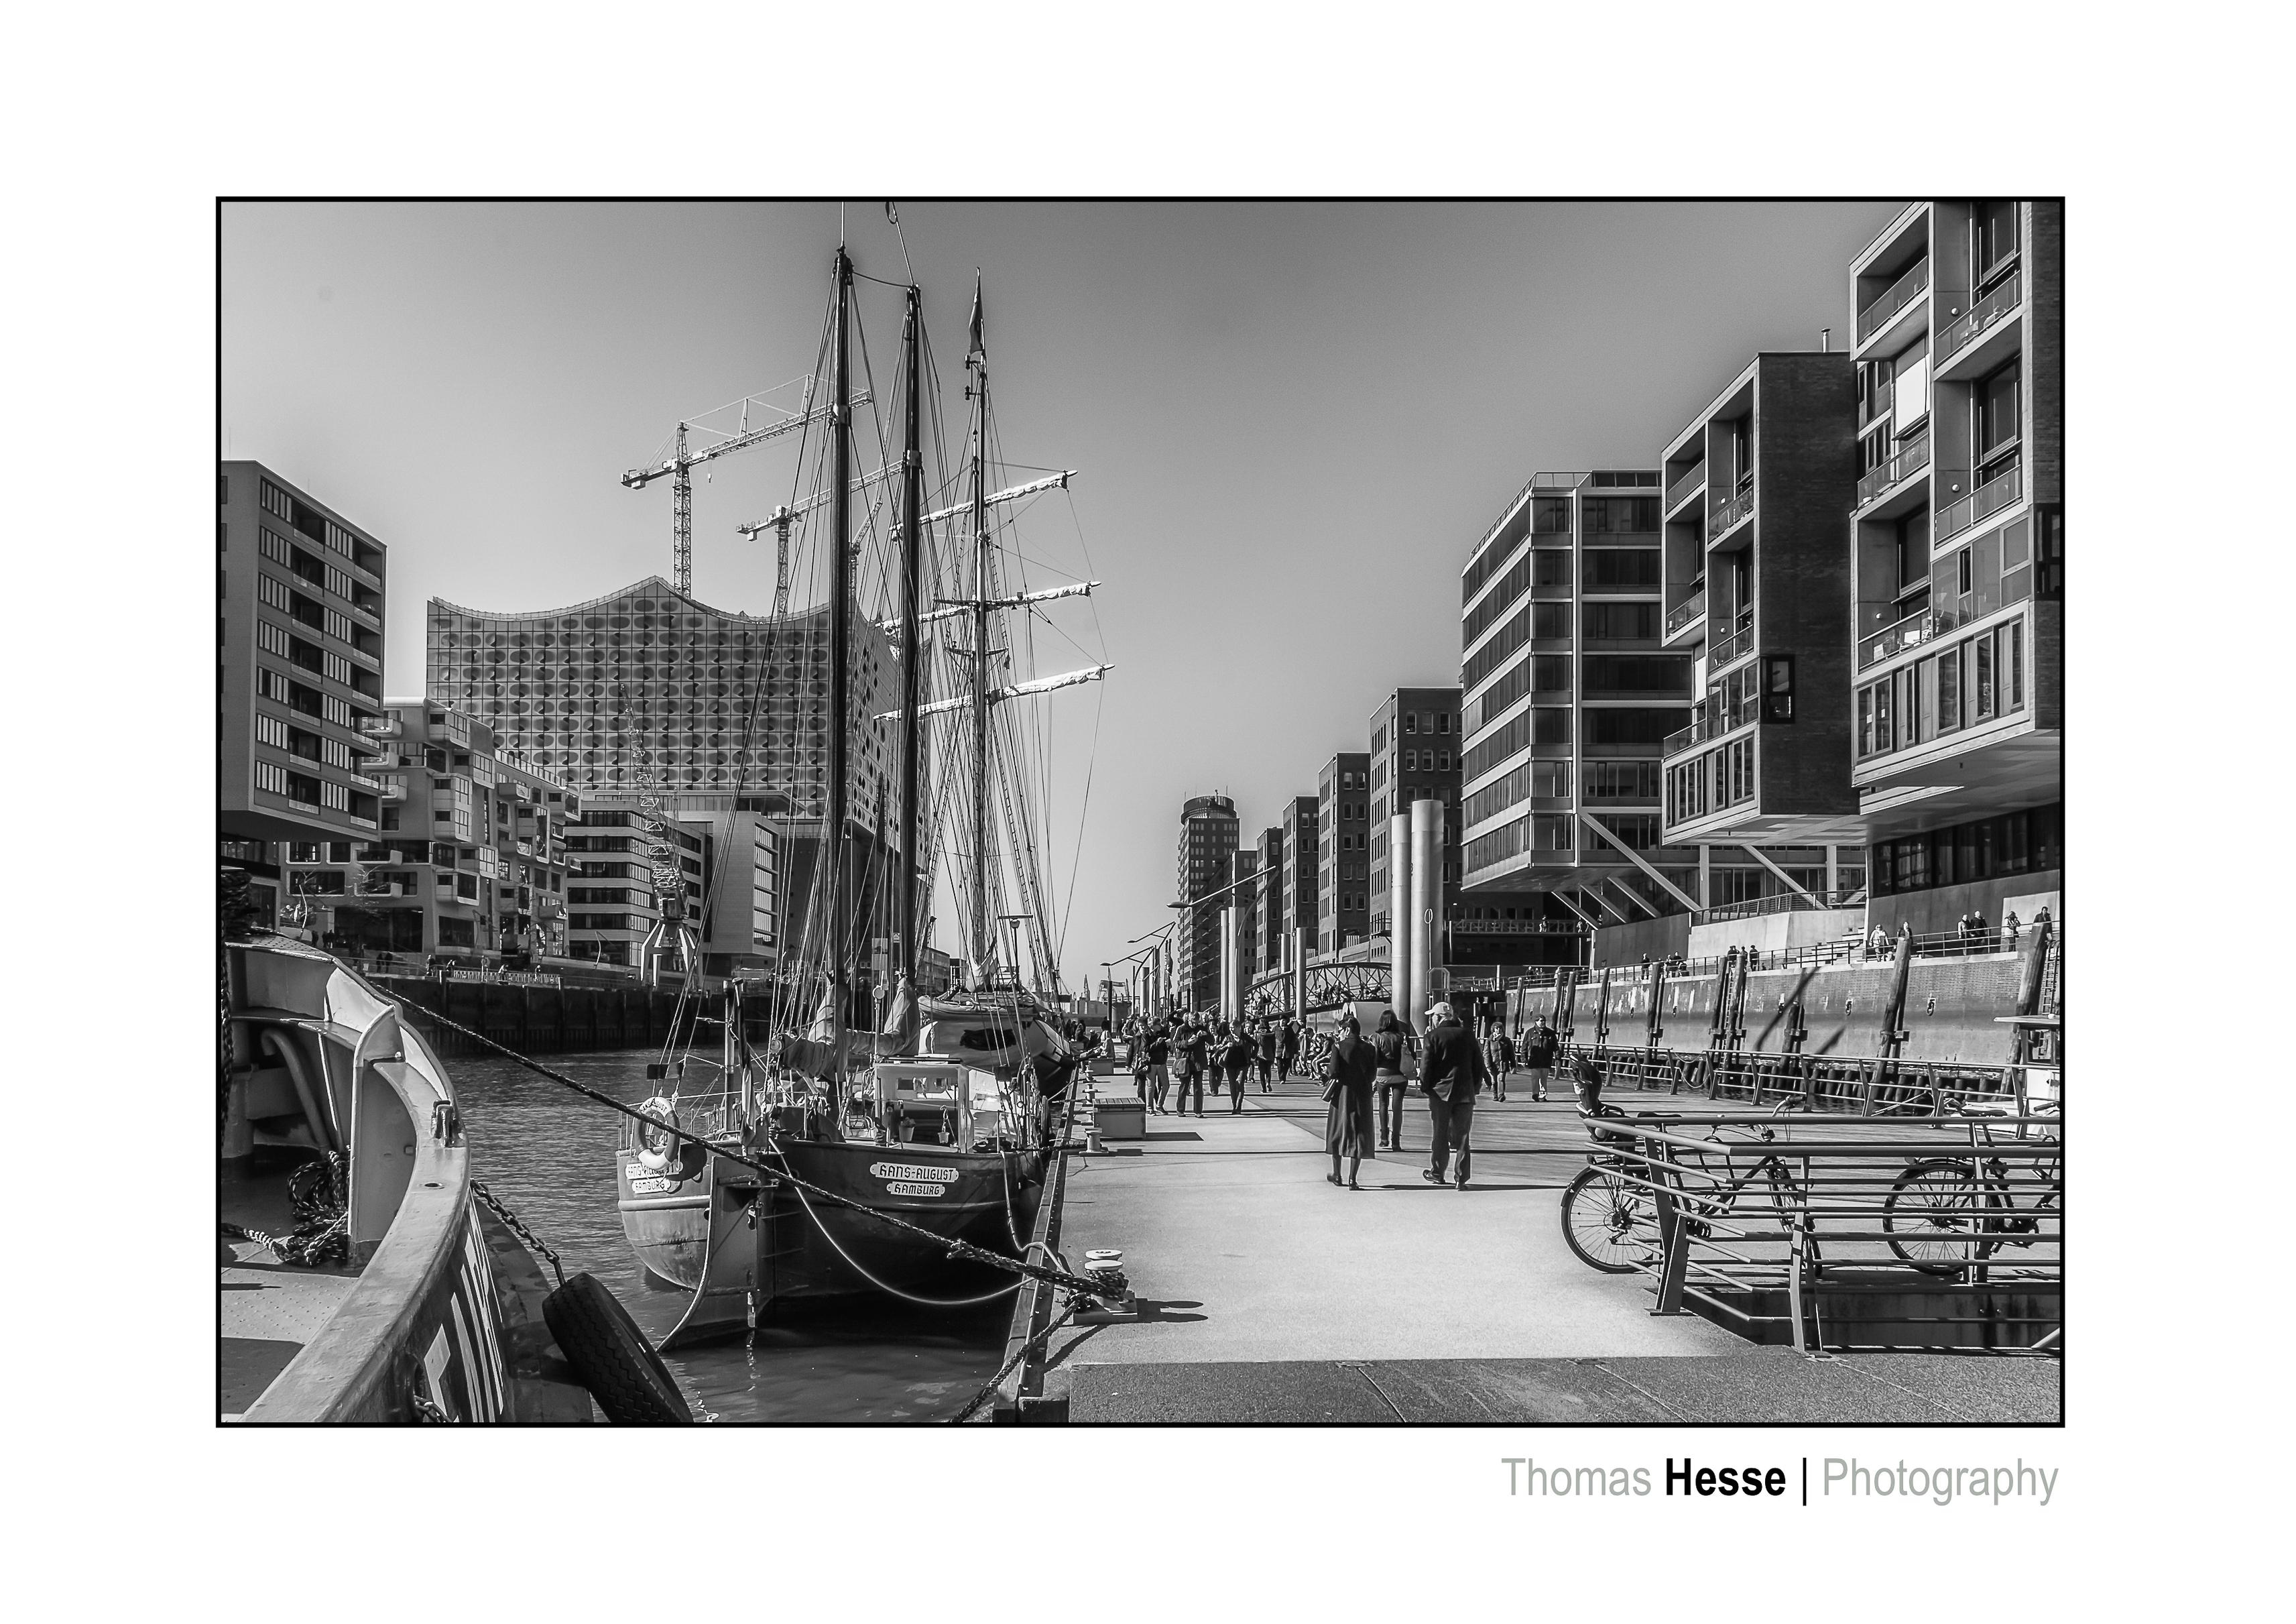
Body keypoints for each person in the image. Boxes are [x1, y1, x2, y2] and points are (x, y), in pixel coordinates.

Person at [1416, 1000, 1486, 1190]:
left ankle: (1438, 1172)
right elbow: (1478, 1065)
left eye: (1433, 1016)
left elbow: (1426, 1066)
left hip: (1440, 1093)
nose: (1432, 1019)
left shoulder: (1433, 1036)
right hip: (1465, 1092)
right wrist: (1475, 1087)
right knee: (1463, 1137)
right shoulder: (1468, 1035)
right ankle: (1461, 1178)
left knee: (1440, 1134)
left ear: (1439, 1017)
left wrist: (1426, 1087)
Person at [1317, 1010, 1380, 1189]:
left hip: (1342, 1094)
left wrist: (1327, 1073)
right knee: (1359, 1133)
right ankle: (1353, 1179)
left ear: (1346, 1030)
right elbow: (1372, 1074)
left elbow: (1334, 1072)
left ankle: (1337, 1174)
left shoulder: (1338, 1046)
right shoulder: (1370, 1048)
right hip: (1363, 1095)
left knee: (1337, 1133)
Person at [1370, 1010, 1412, 1150]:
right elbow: (1411, 1054)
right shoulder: (1403, 1037)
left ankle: (1384, 1137)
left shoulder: (1376, 1037)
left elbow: (1374, 1058)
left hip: (1383, 1075)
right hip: (1400, 1074)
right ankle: (1396, 1141)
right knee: (1397, 1108)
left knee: (1383, 1105)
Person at [1174, 1019, 1210, 1117]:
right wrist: (1187, 1042)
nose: (1194, 1024)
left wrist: (1206, 1035)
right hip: (1186, 1061)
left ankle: (1198, 1111)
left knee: (1198, 1087)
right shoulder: (1182, 1029)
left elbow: (1212, 1041)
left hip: (1198, 1062)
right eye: (1192, 1022)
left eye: (1196, 1022)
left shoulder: (1202, 1029)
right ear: (1188, 1020)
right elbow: (1176, 1043)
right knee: (1184, 1086)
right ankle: (1180, 1109)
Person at [1221, 1019, 1256, 1114]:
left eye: (1233, 1028)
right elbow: (1219, 1050)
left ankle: (1238, 1107)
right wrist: (1226, 1046)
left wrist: (1253, 1056)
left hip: (1243, 1064)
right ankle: (1234, 1106)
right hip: (1230, 1065)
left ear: (1239, 1028)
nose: (1231, 1030)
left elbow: (1256, 1044)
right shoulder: (1228, 1038)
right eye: (1230, 1028)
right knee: (1232, 1086)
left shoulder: (1245, 1037)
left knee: (1240, 1084)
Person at [1520, 1018, 1558, 1103]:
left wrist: (1558, 1056)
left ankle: (1542, 1096)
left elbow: (1555, 1046)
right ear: (1536, 1022)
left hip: (1546, 1060)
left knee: (1543, 1078)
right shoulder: (1530, 1032)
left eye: (1544, 1021)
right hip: (1534, 1060)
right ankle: (1535, 1093)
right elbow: (1524, 1046)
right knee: (1535, 1077)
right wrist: (1524, 1059)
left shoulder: (1550, 1033)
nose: (1543, 1022)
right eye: (1541, 1021)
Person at [1142, 1022, 1172, 1114]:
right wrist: (1157, 1043)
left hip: (1162, 1062)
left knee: (1166, 1085)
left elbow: (1164, 1047)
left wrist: (1167, 1044)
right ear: (1153, 1026)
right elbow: (1145, 1048)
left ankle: (1160, 1105)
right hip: (1151, 1063)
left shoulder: (1162, 1033)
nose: (1160, 1026)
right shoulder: (1146, 1034)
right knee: (1151, 1086)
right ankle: (1150, 1108)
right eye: (1158, 1024)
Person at [1490, 1025, 1515, 1102]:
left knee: (1501, 1079)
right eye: (1496, 1028)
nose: (1498, 1030)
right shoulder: (1490, 1040)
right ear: (1493, 1030)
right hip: (1493, 1064)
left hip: (1503, 1063)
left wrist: (1513, 1065)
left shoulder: (1507, 1040)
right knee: (1494, 1081)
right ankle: (1495, 1095)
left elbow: (1511, 1054)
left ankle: (1501, 1095)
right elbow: (1487, 1054)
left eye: (1500, 1028)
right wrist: (1487, 1065)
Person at [1255, 1020, 1278, 1091]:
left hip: (1261, 1055)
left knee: (1262, 1073)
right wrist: (1274, 1055)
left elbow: (1256, 1045)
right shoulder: (1272, 1034)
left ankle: (1264, 1089)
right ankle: (1268, 1082)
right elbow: (1274, 1046)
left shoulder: (1258, 1034)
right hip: (1270, 1055)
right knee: (1268, 1070)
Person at [1278, 1017, 1301, 1081]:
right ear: (1279, 1021)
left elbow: (1294, 1040)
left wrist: (1295, 1051)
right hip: (1279, 1050)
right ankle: (1281, 1079)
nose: (1283, 1022)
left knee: (1287, 1065)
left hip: (1288, 1050)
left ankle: (1284, 1077)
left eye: (1284, 1021)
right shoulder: (1276, 1029)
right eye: (1282, 1021)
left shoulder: (1289, 1030)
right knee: (1280, 1066)